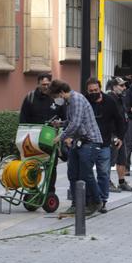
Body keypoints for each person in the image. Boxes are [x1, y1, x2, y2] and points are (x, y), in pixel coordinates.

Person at [50, 79, 103, 216]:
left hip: (90, 141)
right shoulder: (69, 102)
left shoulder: (77, 99)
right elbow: (71, 121)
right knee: (72, 173)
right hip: (78, 142)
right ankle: (76, 204)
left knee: (86, 174)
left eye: (56, 97)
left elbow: (76, 124)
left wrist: (60, 137)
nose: (56, 100)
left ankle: (96, 201)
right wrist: (60, 123)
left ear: (61, 93)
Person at [19, 73, 66, 195]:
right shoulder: (30, 97)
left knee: (51, 166)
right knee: (33, 165)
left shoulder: (57, 98)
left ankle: (50, 192)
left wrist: (62, 132)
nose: (45, 86)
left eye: (47, 84)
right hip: (33, 139)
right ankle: (32, 190)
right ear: (38, 84)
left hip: (50, 138)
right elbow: (23, 119)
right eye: (43, 84)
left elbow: (65, 118)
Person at [85, 78, 123, 213]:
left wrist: (120, 137)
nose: (94, 93)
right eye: (91, 91)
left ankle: (102, 201)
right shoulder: (86, 101)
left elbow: (119, 120)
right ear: (87, 91)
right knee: (86, 173)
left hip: (104, 142)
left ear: (100, 89)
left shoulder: (109, 101)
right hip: (88, 143)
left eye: (96, 90)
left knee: (103, 173)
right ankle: (91, 199)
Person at [106, 77, 132, 193]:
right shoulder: (109, 99)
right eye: (121, 86)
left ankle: (122, 182)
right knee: (108, 160)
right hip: (113, 135)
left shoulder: (120, 98)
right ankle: (106, 182)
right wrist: (114, 135)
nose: (124, 88)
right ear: (114, 87)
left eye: (124, 85)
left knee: (122, 160)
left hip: (122, 135)